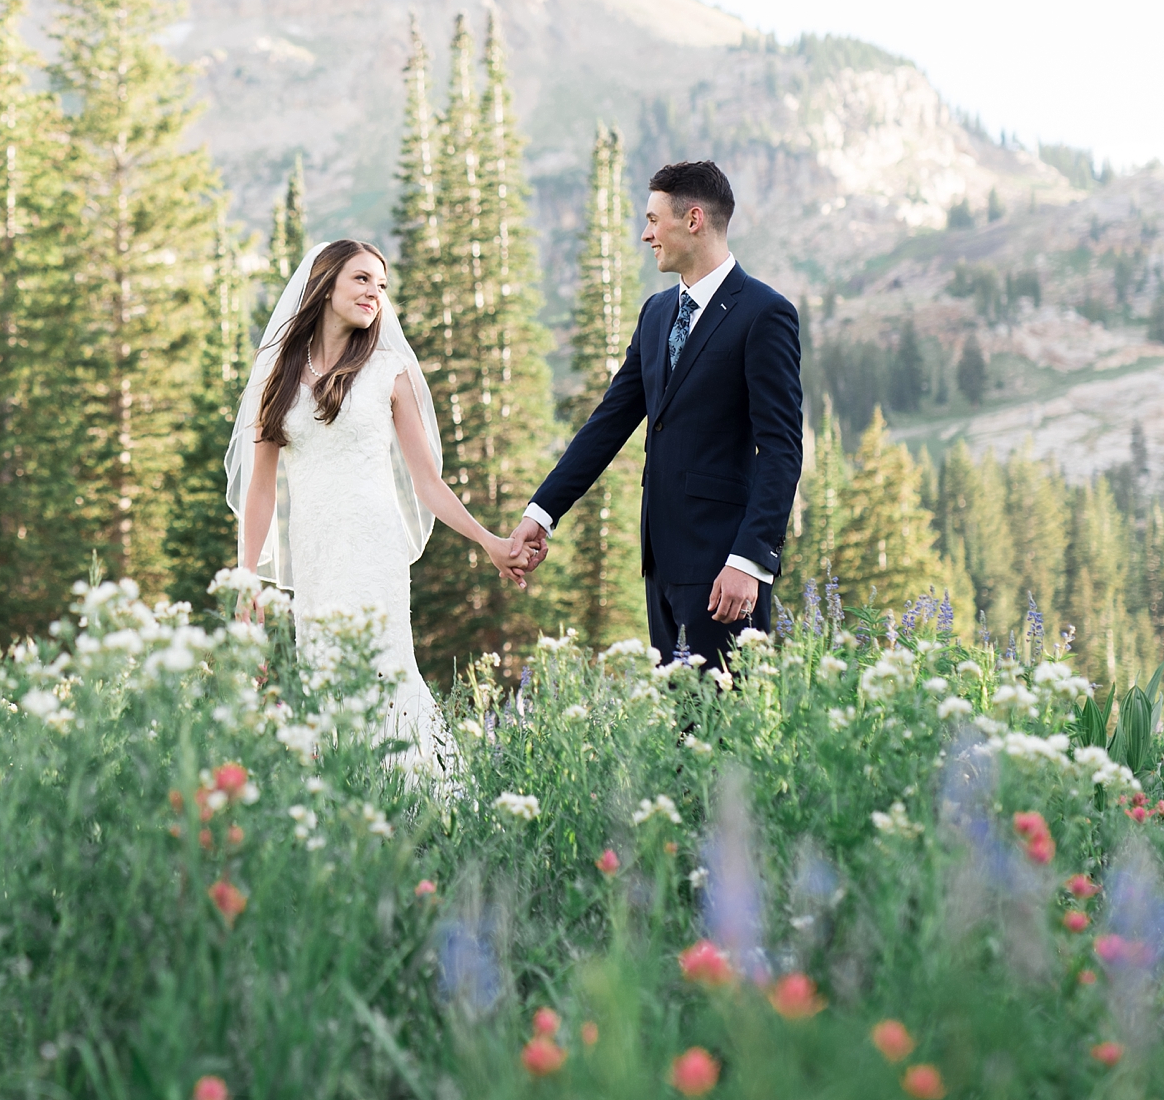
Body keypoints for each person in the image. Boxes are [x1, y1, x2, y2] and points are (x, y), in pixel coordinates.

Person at [226, 239, 520, 766]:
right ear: (325, 283)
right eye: (362, 279)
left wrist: (490, 542)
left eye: (381, 285)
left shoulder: (388, 371)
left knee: (384, 670)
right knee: (324, 674)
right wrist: (247, 580)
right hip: (316, 551)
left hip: (373, 547)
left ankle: (418, 806)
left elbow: (428, 483)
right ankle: (344, 804)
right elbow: (261, 490)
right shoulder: (278, 374)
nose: (374, 293)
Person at [508, 161, 801, 669]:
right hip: (660, 564)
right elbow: (609, 423)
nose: (645, 235)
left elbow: (780, 447)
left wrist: (750, 561)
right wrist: (542, 513)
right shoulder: (656, 313)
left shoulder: (764, 313)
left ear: (692, 220)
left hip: (724, 570)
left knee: (725, 733)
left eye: (652, 220)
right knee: (680, 737)